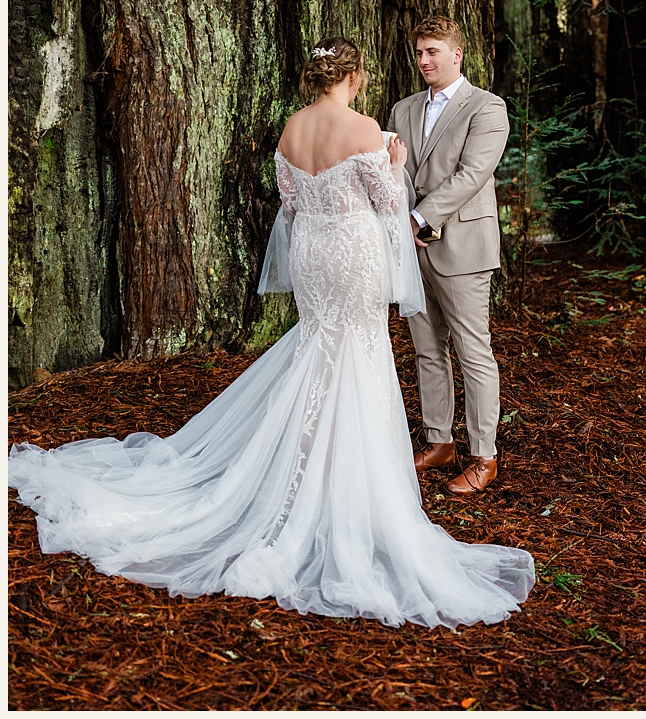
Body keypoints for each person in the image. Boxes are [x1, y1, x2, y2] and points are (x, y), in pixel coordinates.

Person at [7, 38, 534, 626]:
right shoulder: (364, 128)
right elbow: (388, 205)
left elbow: (289, 200)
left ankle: (308, 464)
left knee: (321, 346)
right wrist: (394, 161)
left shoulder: (291, 127)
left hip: (312, 250)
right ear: (354, 75)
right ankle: (346, 478)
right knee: (356, 351)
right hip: (352, 253)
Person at [388, 16, 511, 495]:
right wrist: (400, 222)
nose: (423, 61)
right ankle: (439, 442)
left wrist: (420, 218)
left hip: (462, 247)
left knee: (472, 351)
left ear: (456, 54)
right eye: (419, 52)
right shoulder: (402, 109)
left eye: (432, 52)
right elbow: (396, 171)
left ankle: (485, 456)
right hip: (410, 247)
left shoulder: (487, 107)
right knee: (426, 349)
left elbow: (472, 174)